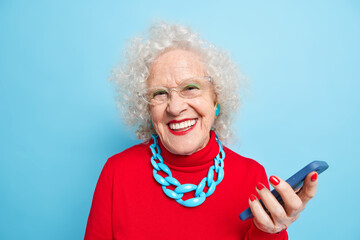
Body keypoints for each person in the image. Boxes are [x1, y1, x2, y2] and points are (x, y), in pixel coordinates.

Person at [84, 22, 319, 240]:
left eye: (190, 88)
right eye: (159, 93)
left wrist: (267, 232)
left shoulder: (251, 176)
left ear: (216, 100)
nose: (175, 108)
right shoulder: (117, 173)